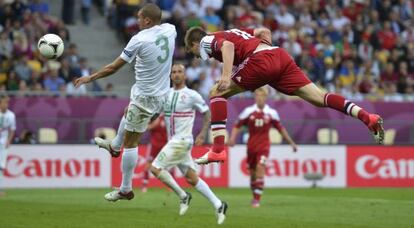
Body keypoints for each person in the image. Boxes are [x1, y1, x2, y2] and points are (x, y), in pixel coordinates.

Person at [184, 27, 384, 164]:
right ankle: (367, 117)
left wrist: (226, 75)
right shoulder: (234, 32)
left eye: (191, 49)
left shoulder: (206, 39)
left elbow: (227, 47)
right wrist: (267, 53)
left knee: (216, 93)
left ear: (194, 42)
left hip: (260, 61)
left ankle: (218, 150)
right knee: (319, 98)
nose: (194, 54)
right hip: (279, 55)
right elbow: (264, 31)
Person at [75, 3, 176, 201]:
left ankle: (125, 188)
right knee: (126, 112)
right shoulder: (170, 30)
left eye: (139, 17)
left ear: (147, 20)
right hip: (162, 93)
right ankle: (114, 145)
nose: (136, 20)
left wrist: (90, 77)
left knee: (132, 142)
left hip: (145, 98)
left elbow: (113, 68)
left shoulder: (138, 40)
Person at [150, 64, 227, 224]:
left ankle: (183, 196)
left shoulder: (192, 95)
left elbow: (207, 113)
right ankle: (219, 204)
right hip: (174, 142)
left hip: (182, 140)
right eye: (174, 72)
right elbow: (154, 115)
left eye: (180, 72)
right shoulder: (166, 95)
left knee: (155, 168)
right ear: (170, 76)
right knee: (192, 179)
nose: (177, 75)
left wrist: (203, 133)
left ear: (185, 76)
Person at [228, 87, 297, 208]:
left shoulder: (271, 113)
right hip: (251, 146)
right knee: (252, 174)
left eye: (262, 96)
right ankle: (254, 193)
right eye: (258, 96)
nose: (260, 98)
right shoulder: (248, 111)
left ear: (265, 98)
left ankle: (256, 200)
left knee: (261, 167)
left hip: (264, 146)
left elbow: (281, 129)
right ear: (255, 97)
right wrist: (232, 138)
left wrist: (291, 142)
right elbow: (237, 125)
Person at [141, 114, 168, 193]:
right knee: (149, 164)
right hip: (154, 145)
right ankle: (144, 185)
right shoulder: (158, 117)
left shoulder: (170, 118)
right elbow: (149, 127)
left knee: (169, 165)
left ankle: (170, 186)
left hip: (165, 146)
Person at [0, 95, 16, 196]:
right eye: (3, 102)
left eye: (7, 102)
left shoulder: (11, 115)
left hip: (4, 143)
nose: (5, 104)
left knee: (1, 165)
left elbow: (12, 129)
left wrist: (9, 141)